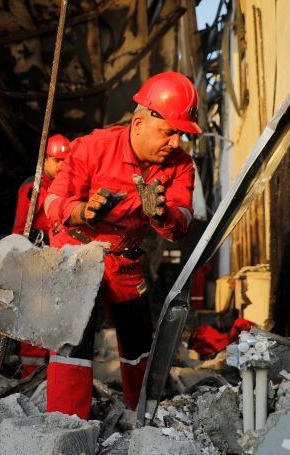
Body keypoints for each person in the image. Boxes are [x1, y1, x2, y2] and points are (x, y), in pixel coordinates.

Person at [43, 71, 201, 419]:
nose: (175, 143)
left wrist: (162, 215)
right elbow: (52, 202)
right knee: (73, 342)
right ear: (140, 122)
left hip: (125, 262)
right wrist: (82, 212)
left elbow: (184, 220)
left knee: (139, 343)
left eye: (181, 134)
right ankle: (66, 425)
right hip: (78, 254)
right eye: (169, 132)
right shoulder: (92, 148)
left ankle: (142, 414)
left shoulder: (181, 166)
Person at [11, 133, 70, 378]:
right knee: (33, 319)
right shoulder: (32, 188)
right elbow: (20, 227)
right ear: (45, 160)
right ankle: (30, 375)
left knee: (52, 317)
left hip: (57, 261)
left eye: (65, 162)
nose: (62, 166)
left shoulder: (64, 186)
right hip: (36, 260)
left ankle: (49, 372)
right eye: (57, 161)